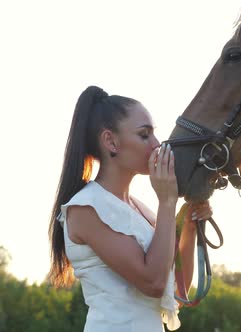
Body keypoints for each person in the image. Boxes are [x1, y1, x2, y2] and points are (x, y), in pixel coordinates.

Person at [48, 86, 213, 331]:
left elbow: (177, 289)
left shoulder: (139, 210)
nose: (158, 145)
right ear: (111, 141)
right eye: (145, 135)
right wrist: (167, 202)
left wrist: (189, 224)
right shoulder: (85, 209)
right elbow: (153, 282)